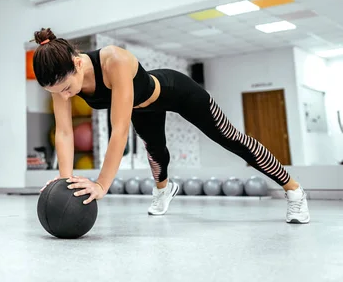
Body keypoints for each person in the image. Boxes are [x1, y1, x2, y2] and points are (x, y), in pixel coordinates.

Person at [33, 28, 310, 224]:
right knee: (155, 152)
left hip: (175, 90)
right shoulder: (61, 83)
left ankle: (294, 189)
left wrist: (101, 185)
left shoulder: (113, 61)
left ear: (78, 64)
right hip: (141, 107)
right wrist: (65, 180)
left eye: (68, 89)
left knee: (230, 138)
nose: (66, 96)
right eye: (59, 92)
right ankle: (164, 190)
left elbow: (119, 131)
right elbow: (66, 133)